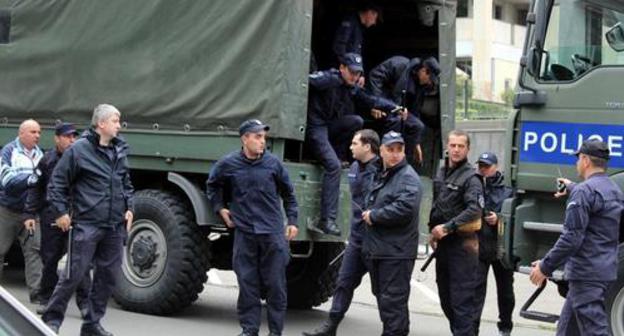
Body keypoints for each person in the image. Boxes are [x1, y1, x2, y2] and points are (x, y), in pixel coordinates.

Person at [42, 104, 134, 336]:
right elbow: (57, 184)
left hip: (113, 227)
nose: (119, 125)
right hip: (87, 225)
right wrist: (61, 212)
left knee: (108, 277)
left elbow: (126, 184)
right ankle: (51, 320)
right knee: (74, 274)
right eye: (115, 120)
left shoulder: (120, 150)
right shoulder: (79, 150)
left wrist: (130, 208)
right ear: (101, 124)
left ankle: (92, 324)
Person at [206, 119, 299, 336]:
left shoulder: (274, 164)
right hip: (245, 232)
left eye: (263, 137)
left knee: (276, 286)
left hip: (272, 234)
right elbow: (213, 184)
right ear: (245, 138)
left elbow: (289, 195)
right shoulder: (228, 164)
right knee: (247, 284)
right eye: (257, 137)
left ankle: (276, 332)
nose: (262, 142)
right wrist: (220, 208)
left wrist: (293, 221)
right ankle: (249, 330)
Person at [530, 139, 624, 336]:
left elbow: (571, 238)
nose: (577, 163)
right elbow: (596, 200)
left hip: (585, 275)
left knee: (595, 331)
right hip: (604, 270)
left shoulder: (584, 192)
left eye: (578, 159)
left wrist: (545, 266)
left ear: (585, 160)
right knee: (566, 330)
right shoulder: (614, 190)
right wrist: (572, 186)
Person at [306, 52, 398, 236]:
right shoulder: (330, 78)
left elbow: (370, 99)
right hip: (315, 126)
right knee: (332, 167)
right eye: (351, 72)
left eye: (358, 74)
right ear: (342, 68)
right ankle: (328, 220)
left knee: (356, 121)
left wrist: (393, 107)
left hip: (329, 126)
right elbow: (307, 81)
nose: (355, 77)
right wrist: (330, 80)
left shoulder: (351, 86)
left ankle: (338, 154)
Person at [302, 129, 381, 336]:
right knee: (343, 283)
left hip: (377, 241)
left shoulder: (382, 170)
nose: (350, 146)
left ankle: (393, 330)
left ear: (367, 146)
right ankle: (330, 326)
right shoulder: (354, 167)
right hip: (357, 239)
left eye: (355, 143)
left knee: (383, 291)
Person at [23, 123, 91, 317]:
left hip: (76, 216)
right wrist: (29, 214)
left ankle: (85, 303)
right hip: (52, 215)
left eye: (74, 137)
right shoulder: (47, 160)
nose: (72, 140)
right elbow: (35, 188)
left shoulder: (82, 160)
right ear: (57, 138)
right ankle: (46, 299)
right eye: (68, 137)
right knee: (50, 259)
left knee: (81, 262)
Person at [361, 131, 422, 336]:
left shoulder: (407, 177)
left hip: (396, 253)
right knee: (386, 303)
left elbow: (406, 209)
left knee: (393, 305)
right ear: (382, 151)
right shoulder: (384, 174)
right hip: (381, 251)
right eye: (390, 149)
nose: (395, 154)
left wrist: (375, 215)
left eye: (399, 150)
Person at [428, 129, 484, 336]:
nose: (456, 150)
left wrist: (447, 227)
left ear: (468, 149)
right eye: (453, 145)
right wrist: (432, 232)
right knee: (446, 301)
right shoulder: (442, 172)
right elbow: (437, 205)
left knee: (461, 304)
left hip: (462, 247)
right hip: (443, 246)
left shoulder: (472, 178)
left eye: (461, 146)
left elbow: (474, 210)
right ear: (447, 147)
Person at [0, 119, 44, 303]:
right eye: (33, 132)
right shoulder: (8, 152)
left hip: (30, 213)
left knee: (34, 251)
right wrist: (32, 178)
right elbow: (7, 181)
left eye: (39, 132)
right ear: (22, 134)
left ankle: (37, 294)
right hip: (7, 211)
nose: (38, 136)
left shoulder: (39, 154)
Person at [472, 152, 515, 336]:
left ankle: (505, 327)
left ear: (496, 166)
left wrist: (499, 218)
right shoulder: (474, 184)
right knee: (475, 291)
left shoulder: (507, 187)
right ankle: (472, 329)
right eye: (481, 166)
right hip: (480, 245)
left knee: (505, 291)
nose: (483, 170)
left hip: (501, 247)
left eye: (487, 166)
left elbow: (514, 214)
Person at [367, 56, 440, 164]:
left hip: (398, 111)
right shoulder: (399, 64)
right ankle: (384, 161)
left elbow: (415, 111)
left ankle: (403, 163)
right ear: (424, 70)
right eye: (429, 79)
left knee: (418, 126)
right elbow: (375, 76)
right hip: (382, 106)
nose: (429, 83)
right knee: (395, 121)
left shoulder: (421, 87)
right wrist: (376, 104)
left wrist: (416, 142)